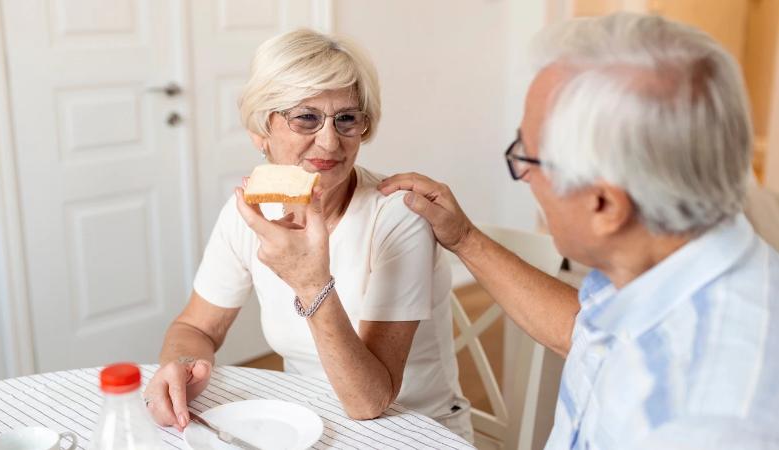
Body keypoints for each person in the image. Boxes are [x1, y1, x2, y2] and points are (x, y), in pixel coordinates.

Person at [379, 13, 779, 449]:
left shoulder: (703, 420)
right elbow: (587, 334)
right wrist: (464, 239)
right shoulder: (680, 253)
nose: (524, 176)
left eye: (527, 159)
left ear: (604, 205)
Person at [143, 28, 472, 440]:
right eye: (306, 118)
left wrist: (310, 281)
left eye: (347, 119)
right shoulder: (250, 212)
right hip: (307, 423)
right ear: (262, 131)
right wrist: (179, 364)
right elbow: (197, 328)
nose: (330, 141)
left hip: (412, 430)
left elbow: (370, 401)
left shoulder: (398, 216)